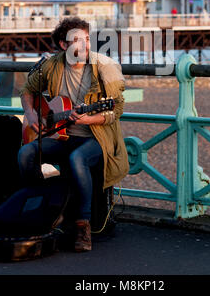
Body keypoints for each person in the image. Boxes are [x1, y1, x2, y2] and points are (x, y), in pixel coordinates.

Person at [18, 17, 129, 252]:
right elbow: (27, 91)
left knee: (77, 159)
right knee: (26, 154)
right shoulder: (52, 66)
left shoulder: (102, 69)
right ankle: (45, 207)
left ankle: (83, 226)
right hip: (60, 136)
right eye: (77, 40)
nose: (85, 45)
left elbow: (116, 109)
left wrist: (89, 118)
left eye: (87, 39)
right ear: (63, 45)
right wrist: (33, 114)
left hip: (96, 138)